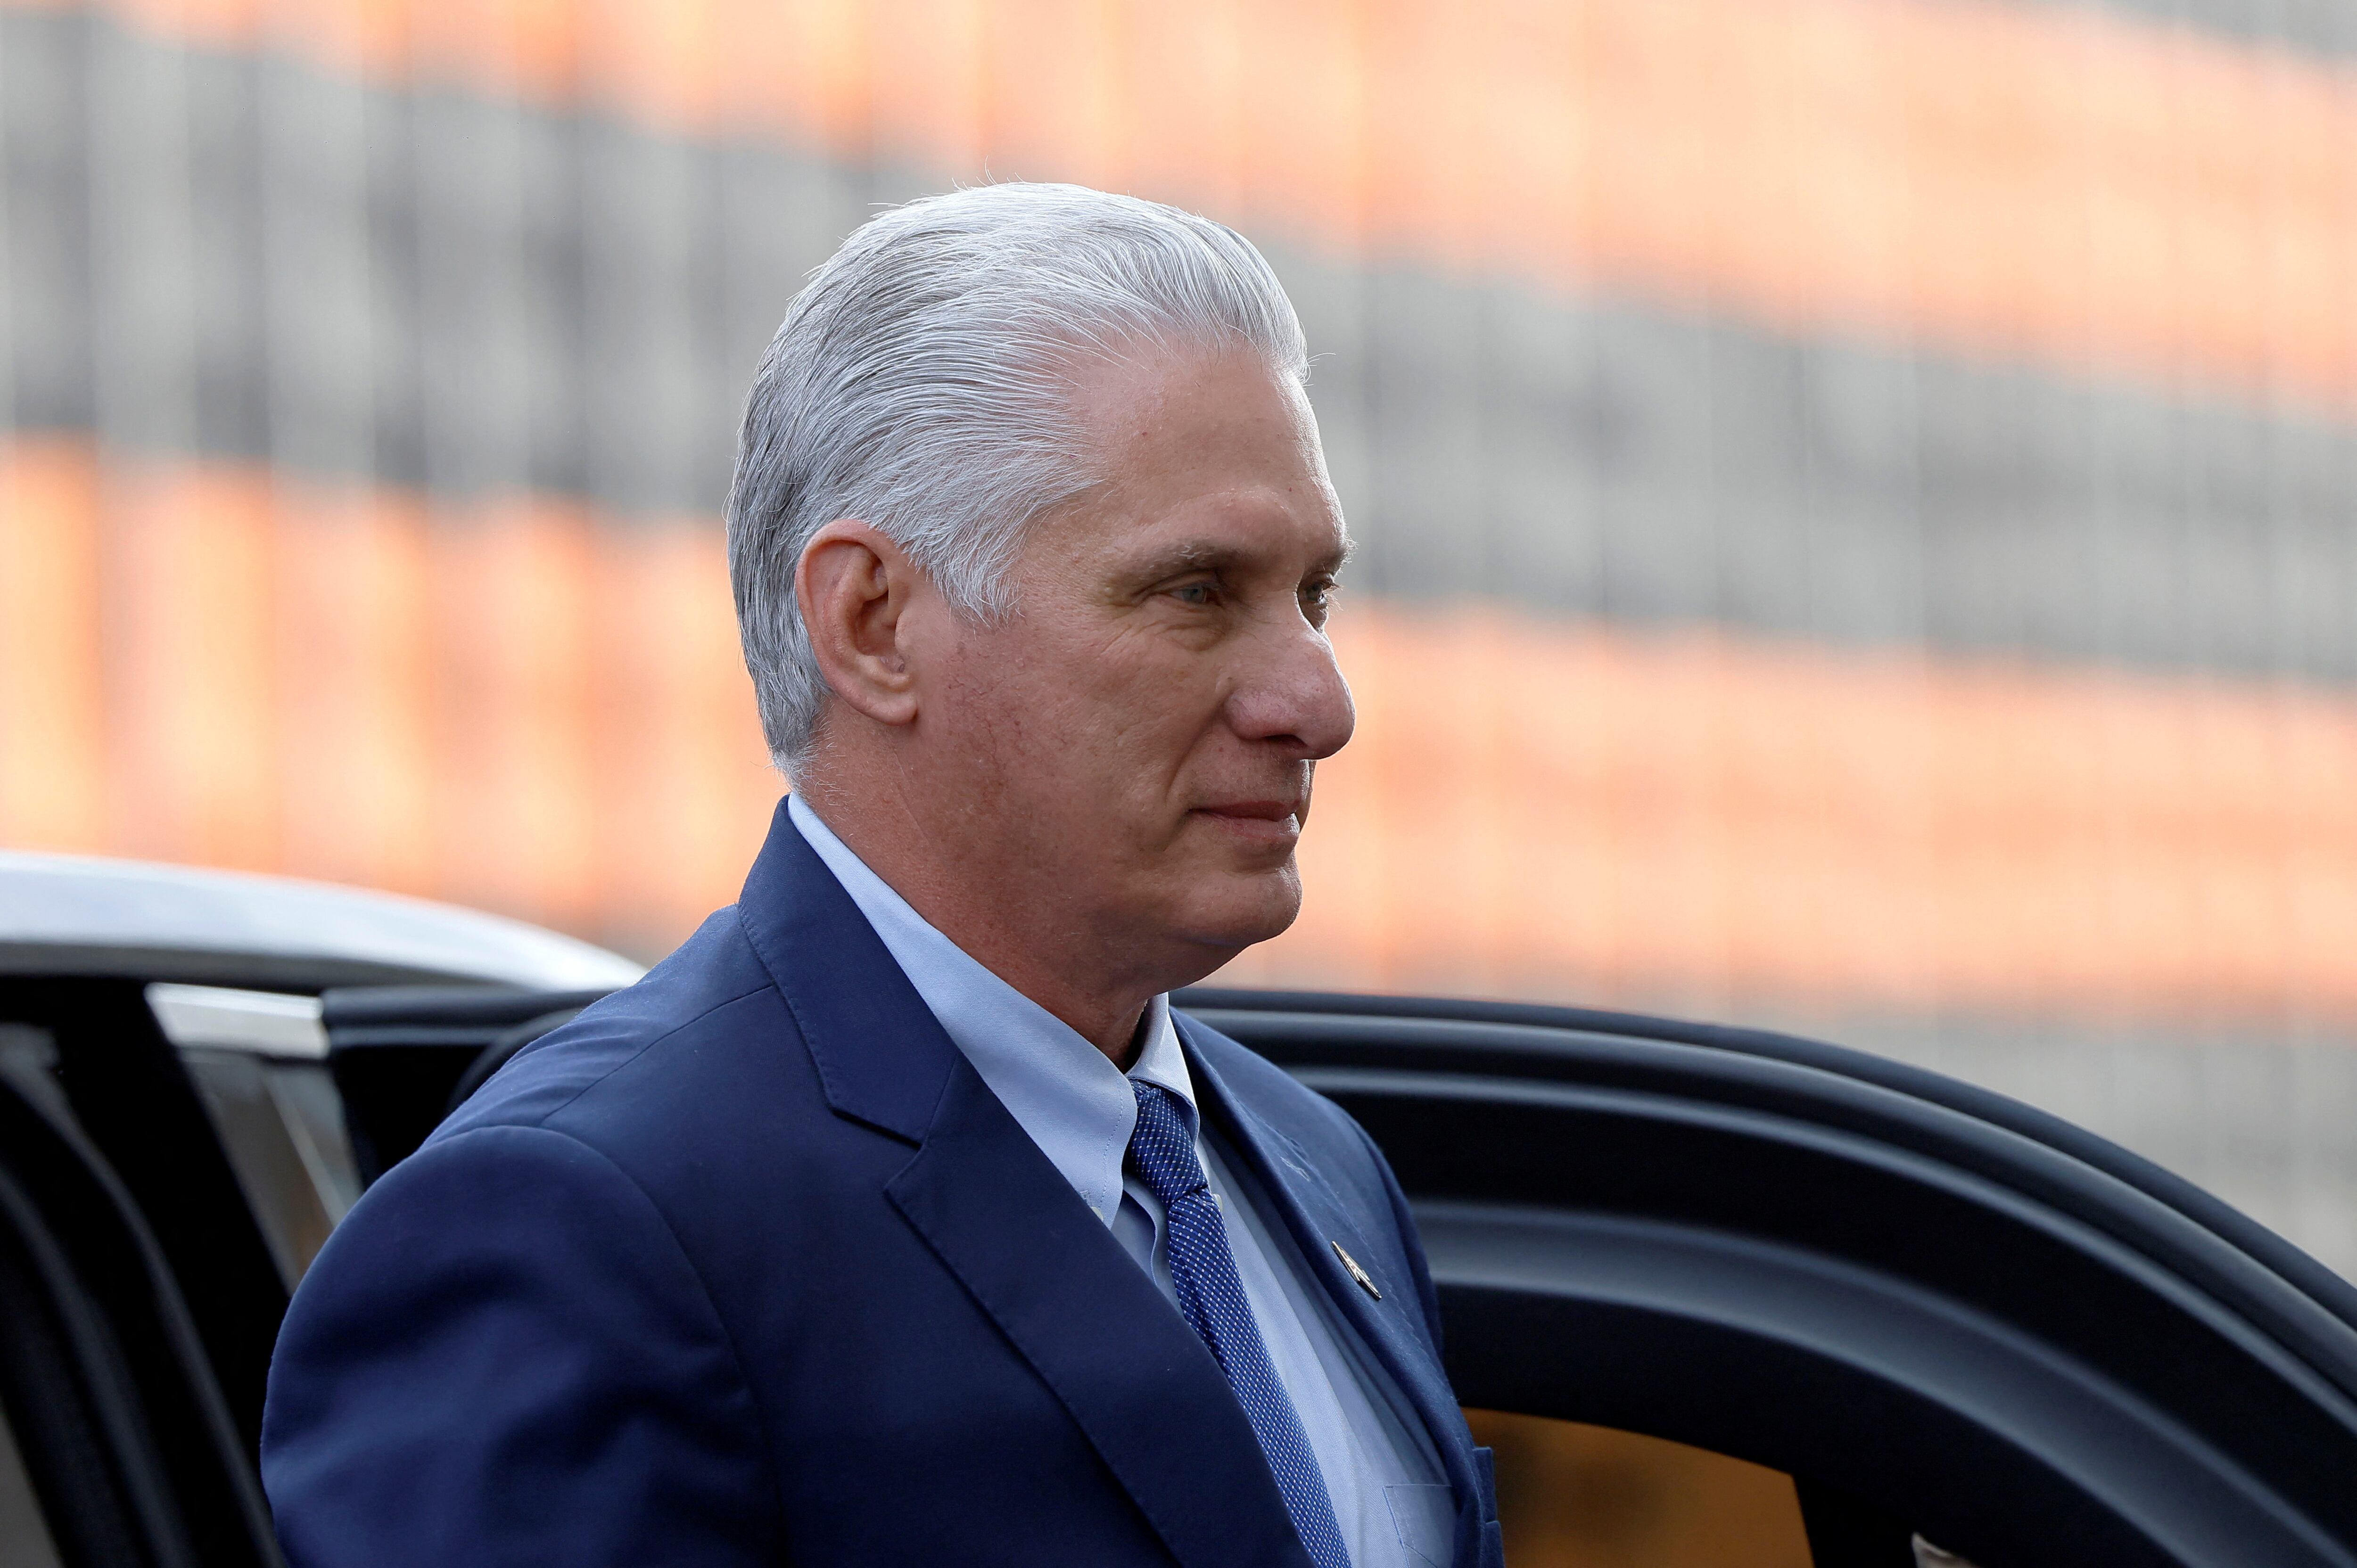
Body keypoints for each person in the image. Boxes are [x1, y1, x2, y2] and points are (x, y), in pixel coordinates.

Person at [261, 181, 1503, 1568]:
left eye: (1313, 596)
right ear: (873, 624)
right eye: (1196, 592)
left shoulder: (1315, 1168)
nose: (1318, 705)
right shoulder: (582, 1229)